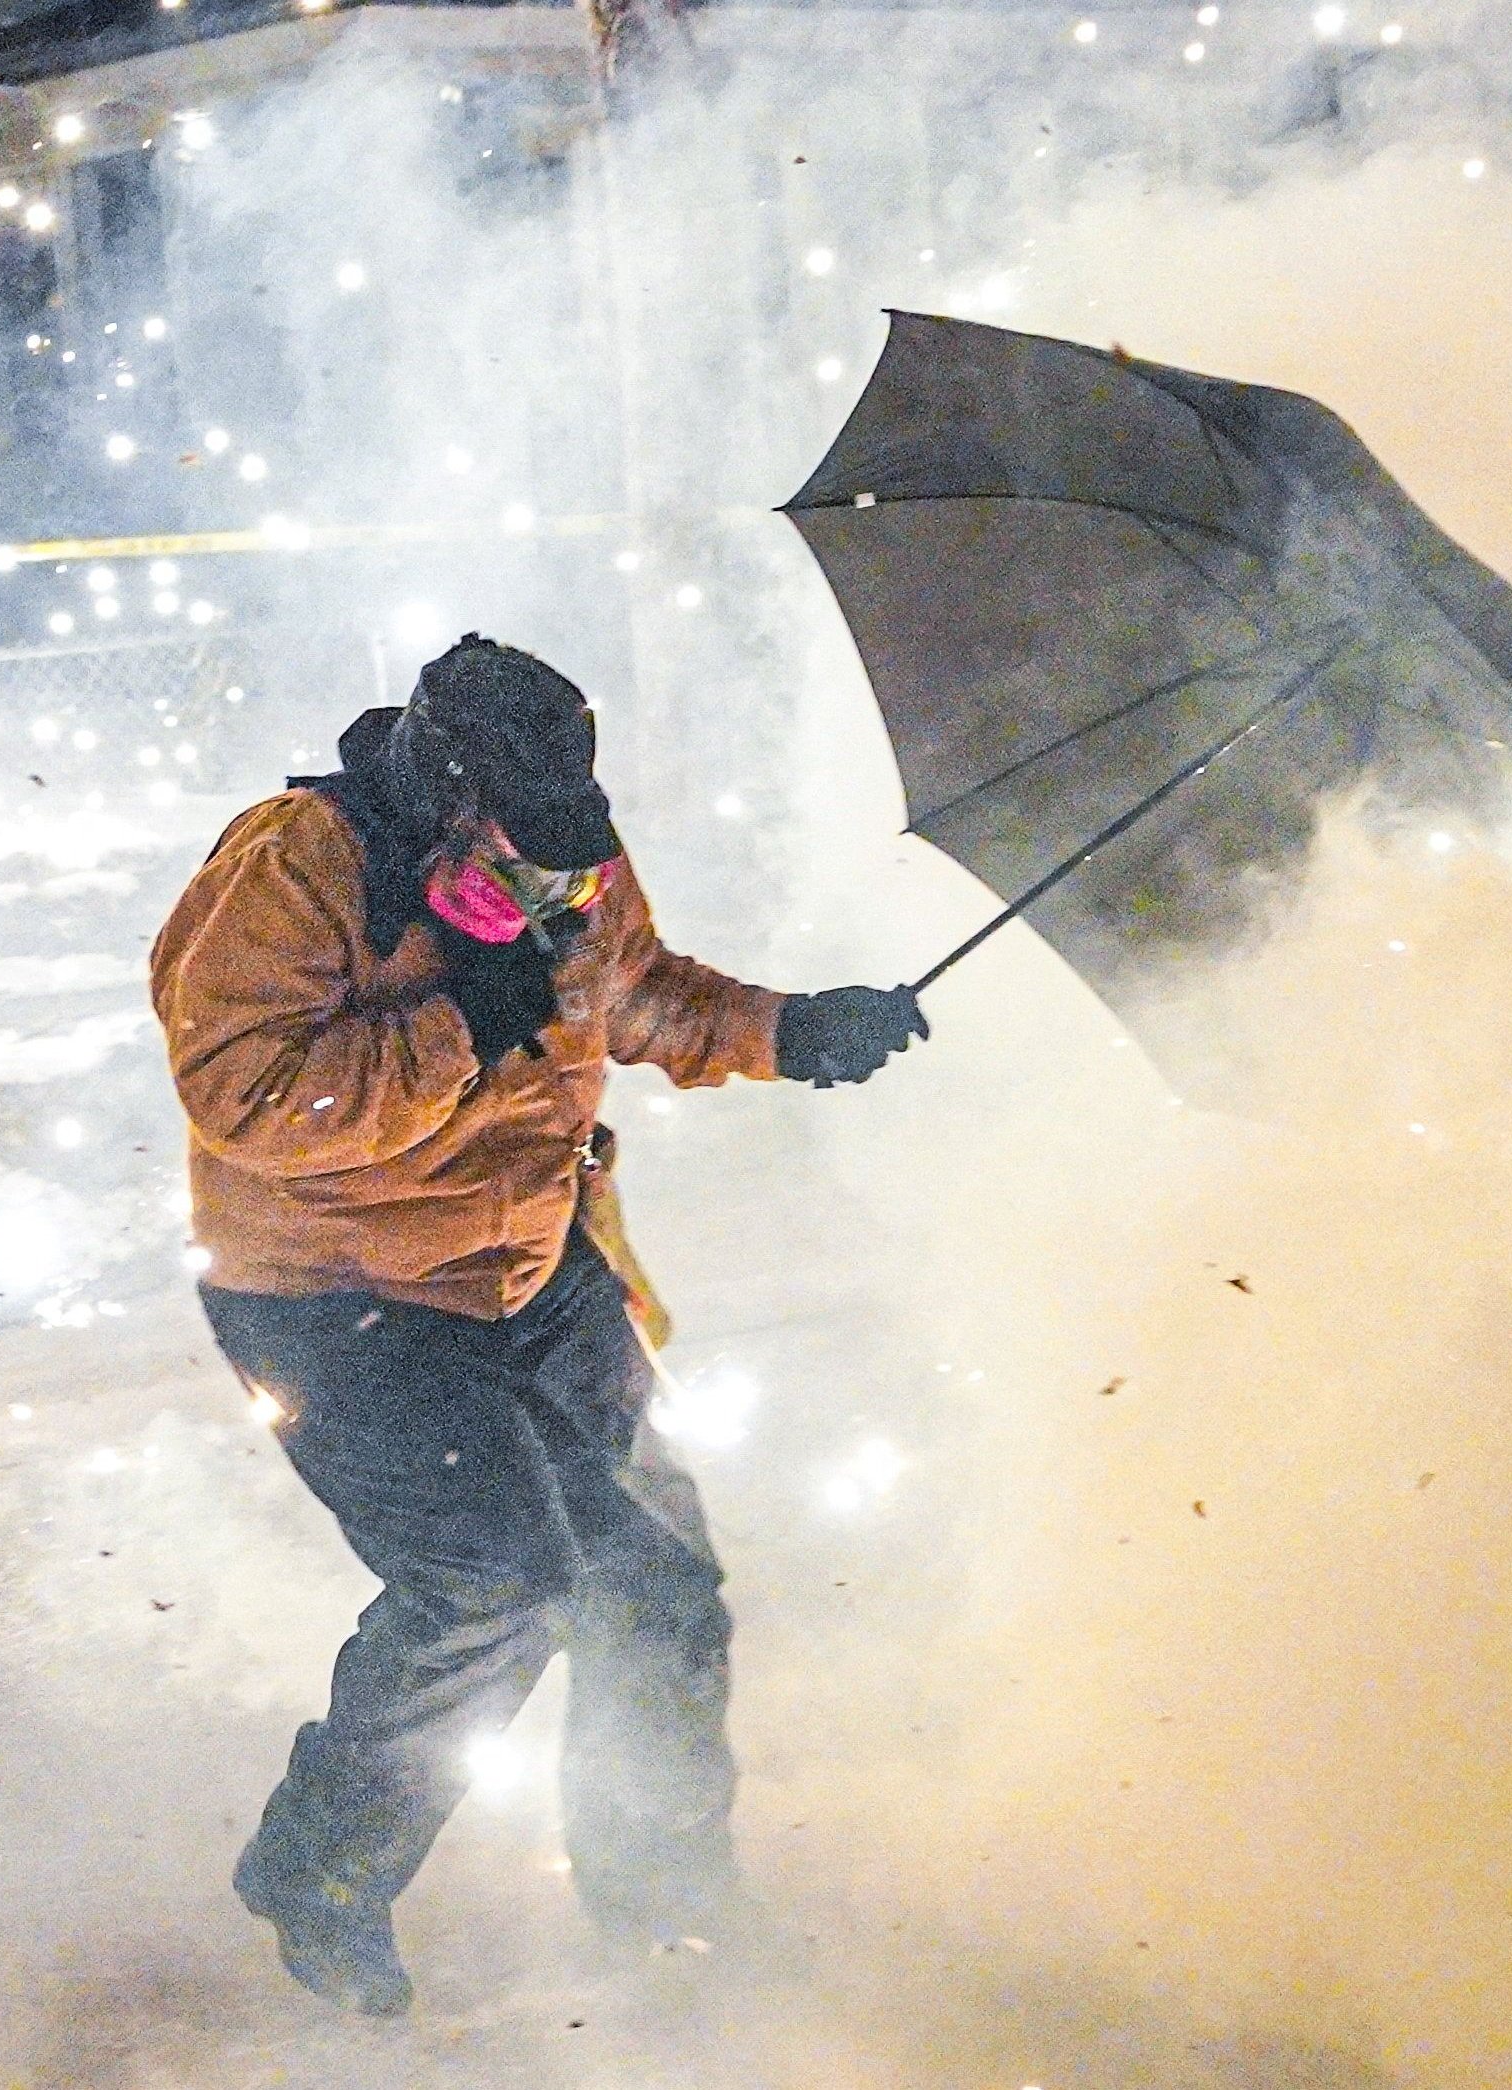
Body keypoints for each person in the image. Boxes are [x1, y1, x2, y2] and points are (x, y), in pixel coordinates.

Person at [147, 634, 930, 2016]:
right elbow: (252, 1102)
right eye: (526, 841)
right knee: (493, 1584)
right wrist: (463, 1023)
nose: (563, 873)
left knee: (656, 1587)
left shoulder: (571, 850)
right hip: (338, 1296)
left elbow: (633, 991)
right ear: (445, 796)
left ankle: (665, 1905)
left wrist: (786, 1028)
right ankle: (319, 1868)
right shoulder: (292, 867)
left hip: (533, 1265)